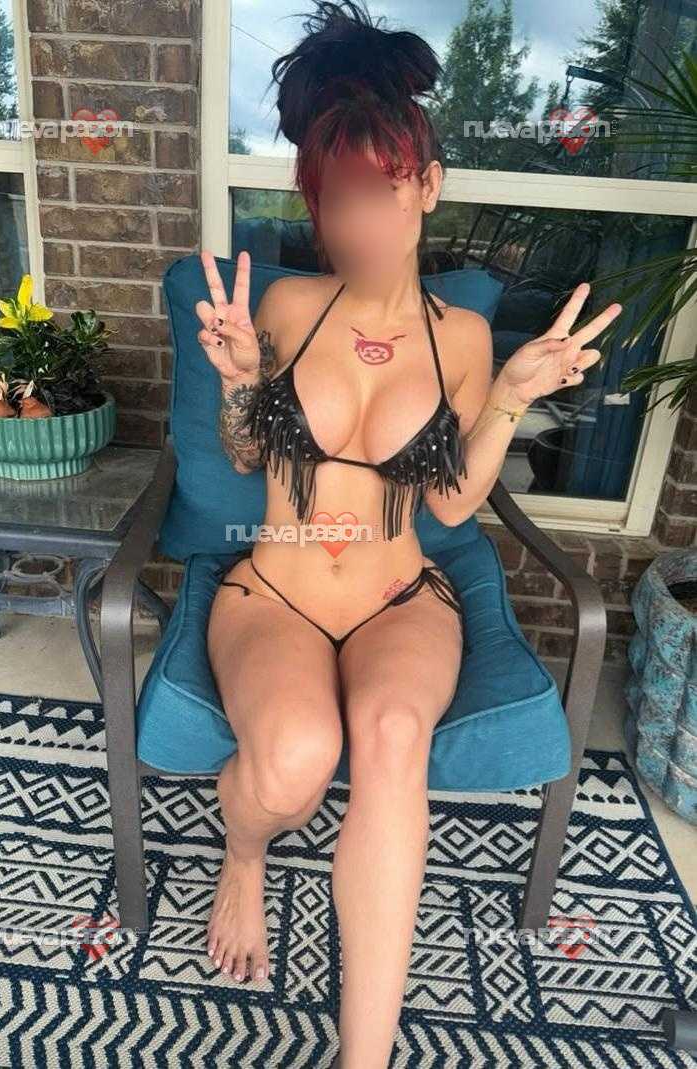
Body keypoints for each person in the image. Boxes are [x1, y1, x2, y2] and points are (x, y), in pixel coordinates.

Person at [193, 3, 622, 1065]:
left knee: (391, 736)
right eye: (336, 198)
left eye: (381, 192)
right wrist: (241, 382)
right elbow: (244, 458)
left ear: (426, 186)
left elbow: (450, 507)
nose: (360, 224)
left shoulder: (464, 337)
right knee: (292, 765)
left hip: (399, 601)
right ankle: (242, 853)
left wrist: (509, 394)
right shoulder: (284, 307)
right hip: (279, 595)